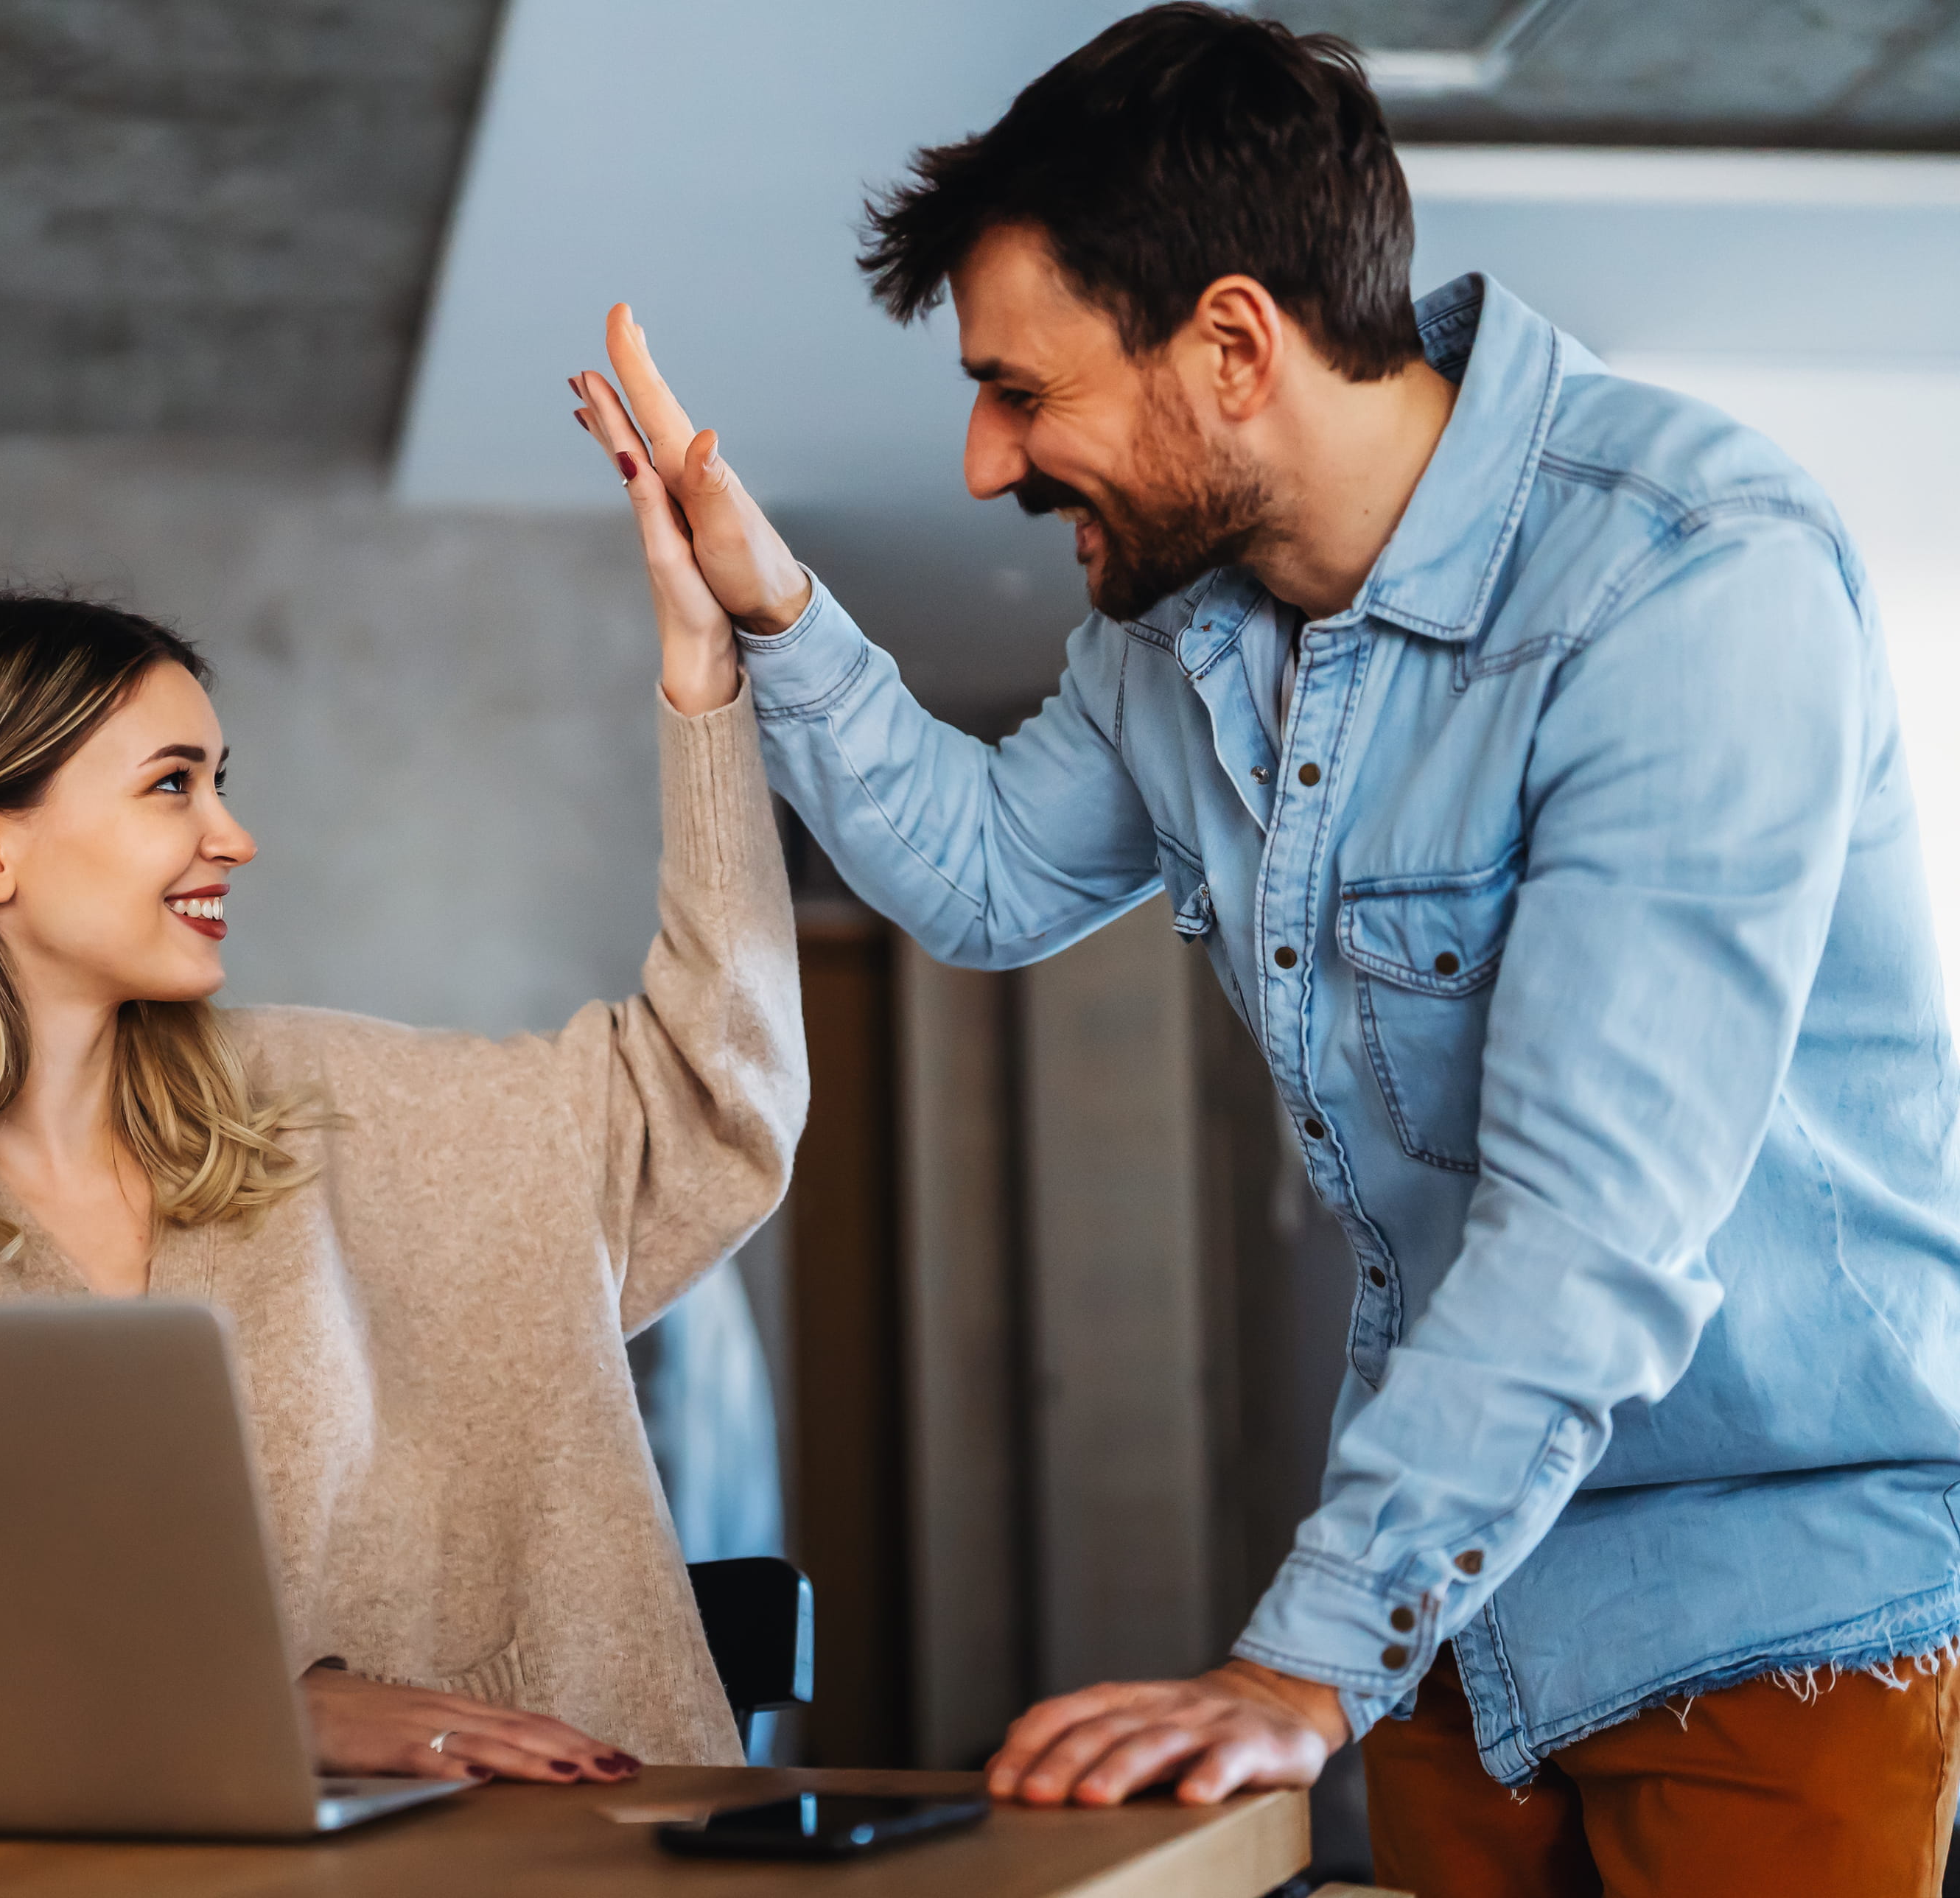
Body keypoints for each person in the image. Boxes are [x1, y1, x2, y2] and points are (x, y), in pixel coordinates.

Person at [576, 5, 1960, 1891]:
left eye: (1023, 390)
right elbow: (984, 876)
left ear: (1232, 344)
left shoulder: (1691, 578)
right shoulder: (1182, 634)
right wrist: (774, 606)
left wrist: (1299, 1660)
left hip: (1772, 1615)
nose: (988, 464)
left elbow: (1593, 1221)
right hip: (1467, 1619)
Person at [0, 561, 802, 1779]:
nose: (234, 835)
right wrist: (274, 1714)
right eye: (174, 786)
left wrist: (705, 676)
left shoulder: (318, 1100)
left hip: (498, 1848)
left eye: (220, 783)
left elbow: (714, 1094)